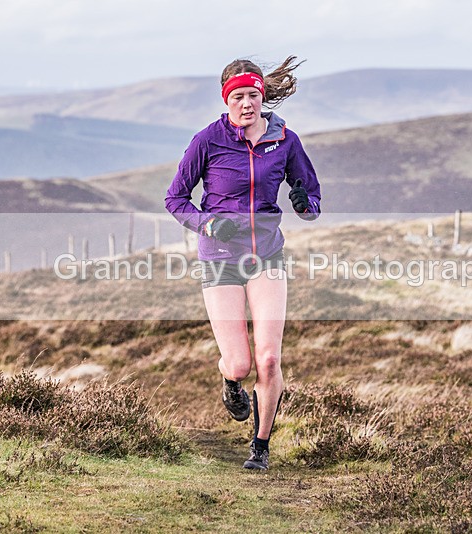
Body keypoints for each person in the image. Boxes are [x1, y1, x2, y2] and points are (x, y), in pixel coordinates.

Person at [165, 56, 321, 470]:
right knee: (240, 362)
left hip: (267, 255)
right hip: (220, 259)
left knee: (269, 359)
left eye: (253, 94)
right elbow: (175, 199)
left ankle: (261, 446)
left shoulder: (285, 140)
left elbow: (311, 196)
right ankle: (230, 381)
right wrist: (209, 225)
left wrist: (305, 204)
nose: (247, 103)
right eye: (238, 96)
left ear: (262, 95)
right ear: (226, 100)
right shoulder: (208, 140)